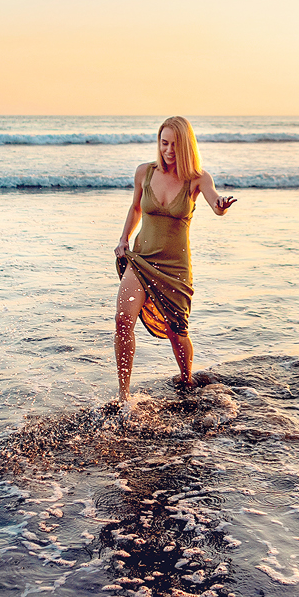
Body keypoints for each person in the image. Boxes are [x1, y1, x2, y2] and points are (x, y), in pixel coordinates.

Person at [113, 116, 235, 416]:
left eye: (174, 144)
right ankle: (123, 396)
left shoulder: (197, 179)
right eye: (163, 143)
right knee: (122, 320)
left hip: (175, 268)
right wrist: (124, 238)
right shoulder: (144, 172)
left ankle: (186, 379)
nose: (168, 150)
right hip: (141, 258)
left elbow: (214, 202)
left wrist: (220, 205)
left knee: (177, 332)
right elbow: (136, 207)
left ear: (186, 146)